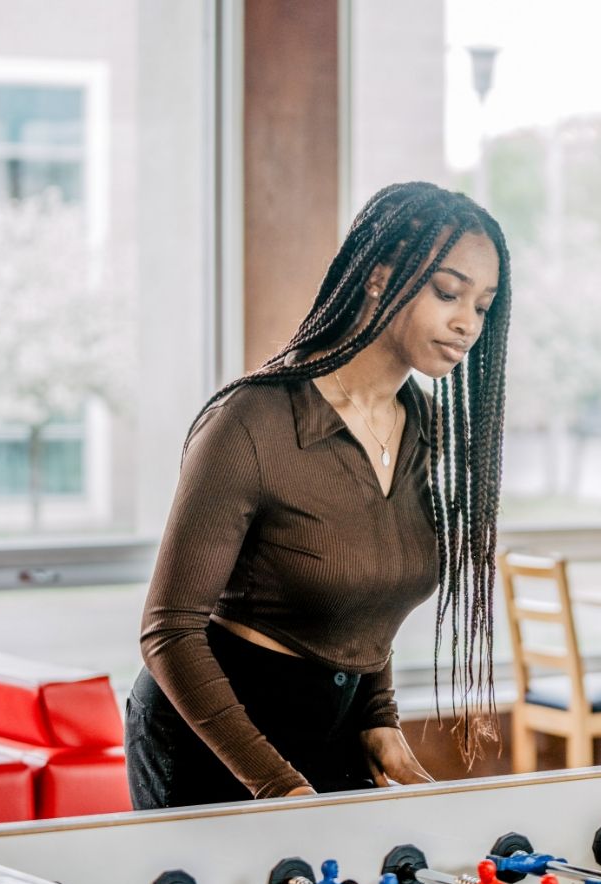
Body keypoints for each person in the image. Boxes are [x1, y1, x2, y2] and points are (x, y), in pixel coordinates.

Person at [127, 182, 512, 808]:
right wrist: (276, 786)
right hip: (212, 741)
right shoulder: (251, 421)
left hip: (335, 732)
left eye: (484, 305)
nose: (468, 322)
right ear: (380, 279)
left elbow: (365, 596)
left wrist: (378, 718)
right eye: (448, 292)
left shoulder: (424, 431)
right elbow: (168, 631)